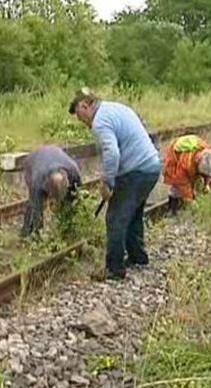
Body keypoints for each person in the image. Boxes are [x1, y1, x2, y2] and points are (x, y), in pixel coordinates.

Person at [69, 88, 161, 280]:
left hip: (137, 170)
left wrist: (107, 182)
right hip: (150, 166)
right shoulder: (115, 108)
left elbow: (112, 153)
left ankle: (114, 269)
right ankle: (137, 257)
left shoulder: (100, 121)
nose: (83, 122)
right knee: (134, 214)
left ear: (85, 106)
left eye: (80, 116)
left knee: (115, 218)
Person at [21, 145, 82, 237]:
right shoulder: (38, 179)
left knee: (69, 202)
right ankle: (27, 233)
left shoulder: (74, 171)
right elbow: (36, 208)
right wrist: (39, 233)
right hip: (34, 160)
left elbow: (78, 196)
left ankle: (67, 229)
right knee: (35, 204)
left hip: (54, 155)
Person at [163, 135, 211, 215]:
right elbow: (183, 185)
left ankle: (196, 196)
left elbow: (208, 173)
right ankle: (172, 208)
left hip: (191, 157)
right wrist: (191, 201)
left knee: (197, 181)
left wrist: (207, 184)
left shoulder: (208, 154)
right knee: (176, 186)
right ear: (197, 163)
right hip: (174, 156)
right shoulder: (185, 165)